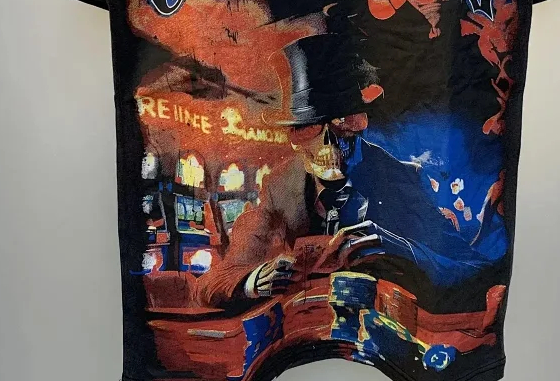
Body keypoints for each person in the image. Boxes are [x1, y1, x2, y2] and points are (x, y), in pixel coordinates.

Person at [189, 33, 499, 308]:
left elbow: (476, 270)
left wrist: (397, 248)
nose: (330, 144)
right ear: (294, 138)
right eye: (309, 129)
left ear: (358, 122)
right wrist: (254, 280)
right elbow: (212, 284)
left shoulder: (397, 177)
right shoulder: (278, 187)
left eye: (343, 123)